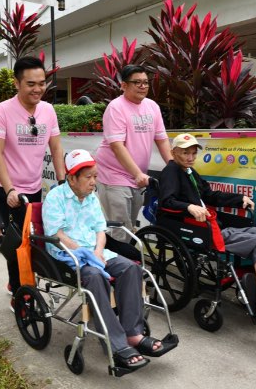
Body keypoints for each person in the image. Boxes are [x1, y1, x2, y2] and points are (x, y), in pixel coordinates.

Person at [158, 133, 256, 314]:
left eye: (193, 153)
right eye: (185, 153)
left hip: (207, 225)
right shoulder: (171, 172)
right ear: (173, 152)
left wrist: (239, 199)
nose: (190, 157)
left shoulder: (188, 172)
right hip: (197, 229)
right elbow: (167, 201)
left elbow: (210, 195)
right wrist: (189, 207)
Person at [43, 149, 172, 372]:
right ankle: (116, 343)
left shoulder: (91, 197)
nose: (94, 182)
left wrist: (98, 252)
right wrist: (86, 253)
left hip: (95, 252)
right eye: (88, 177)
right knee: (95, 277)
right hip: (68, 255)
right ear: (72, 178)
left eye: (95, 176)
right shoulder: (55, 197)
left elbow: (100, 231)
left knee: (131, 269)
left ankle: (132, 333)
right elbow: (57, 234)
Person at [0, 56, 66, 297]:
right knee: (19, 240)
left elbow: (56, 148)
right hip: (7, 188)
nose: (38, 89)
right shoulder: (2, 111)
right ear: (17, 83)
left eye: (42, 83)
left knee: (33, 239)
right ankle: (19, 291)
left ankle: (21, 282)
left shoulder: (48, 110)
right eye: (31, 84)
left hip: (34, 186)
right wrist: (9, 189)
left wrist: (63, 182)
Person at [95, 64, 172, 242]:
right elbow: (117, 146)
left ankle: (122, 256)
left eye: (145, 82)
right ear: (124, 85)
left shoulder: (152, 106)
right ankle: (116, 259)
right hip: (114, 176)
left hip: (138, 178)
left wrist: (173, 166)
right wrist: (137, 173)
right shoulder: (116, 107)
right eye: (137, 82)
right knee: (121, 229)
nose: (143, 86)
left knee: (129, 228)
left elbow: (161, 139)